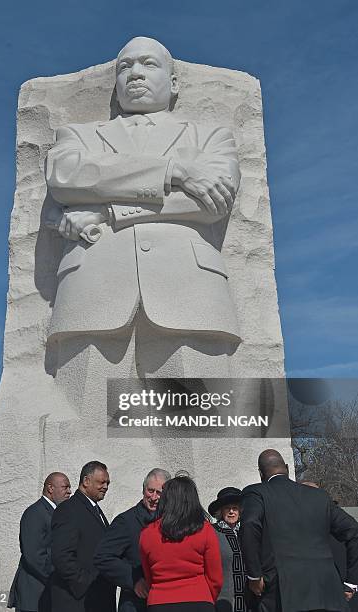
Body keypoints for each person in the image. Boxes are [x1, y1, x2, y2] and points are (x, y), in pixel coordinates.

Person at [45, 36, 242, 379]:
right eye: (125, 67)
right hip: (92, 284)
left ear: (174, 82)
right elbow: (67, 177)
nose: (135, 73)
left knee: (198, 422)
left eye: (149, 64)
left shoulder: (211, 136)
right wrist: (174, 170)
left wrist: (107, 212)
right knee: (80, 418)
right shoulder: (78, 135)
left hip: (190, 287)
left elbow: (211, 203)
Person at [239, 449, 358, 612]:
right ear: (287, 468)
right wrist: (352, 581)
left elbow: (250, 525)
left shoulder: (256, 493)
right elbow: (354, 531)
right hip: (328, 592)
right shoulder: (319, 497)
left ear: (261, 474)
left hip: (283, 593)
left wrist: (254, 575)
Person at [140, 476, 223, 611]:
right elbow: (215, 579)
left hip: (159, 602)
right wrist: (207, 598)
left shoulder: (147, 533)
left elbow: (149, 576)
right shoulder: (205, 530)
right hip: (199, 600)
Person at [94, 467, 171, 612]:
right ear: (143, 490)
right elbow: (102, 557)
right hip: (135, 604)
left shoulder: (171, 523)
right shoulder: (126, 521)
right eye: (150, 491)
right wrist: (134, 580)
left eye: (159, 492)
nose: (154, 497)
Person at [51, 461, 116, 612]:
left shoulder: (94, 509)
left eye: (108, 483)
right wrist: (86, 583)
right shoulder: (68, 509)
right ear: (86, 481)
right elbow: (61, 556)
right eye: (101, 482)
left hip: (96, 599)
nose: (106, 487)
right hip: (77, 601)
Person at [8, 472, 71, 612]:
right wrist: (60, 577)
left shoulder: (58, 513)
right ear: (50, 488)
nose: (69, 492)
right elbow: (34, 555)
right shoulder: (35, 513)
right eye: (65, 487)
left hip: (49, 591)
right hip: (35, 592)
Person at [208, 487, 247, 612]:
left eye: (235, 508)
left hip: (249, 600)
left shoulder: (247, 531)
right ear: (220, 511)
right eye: (227, 508)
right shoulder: (211, 532)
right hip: (222, 598)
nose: (231, 512)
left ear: (240, 511)